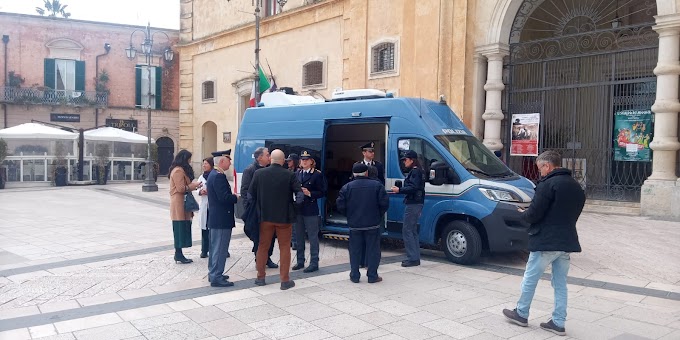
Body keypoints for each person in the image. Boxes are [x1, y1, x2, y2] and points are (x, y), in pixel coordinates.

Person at [502, 150, 585, 337]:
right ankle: (558, 322)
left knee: (530, 278)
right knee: (560, 284)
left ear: (547, 165)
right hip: (566, 241)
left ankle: (521, 313)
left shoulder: (547, 184)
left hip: (545, 241)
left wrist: (521, 213)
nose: (540, 172)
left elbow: (534, 214)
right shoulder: (576, 186)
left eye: (540, 168)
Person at [249, 149, 304, 290]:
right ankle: (285, 280)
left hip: (265, 217)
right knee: (284, 247)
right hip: (284, 218)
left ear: (271, 159)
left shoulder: (259, 174)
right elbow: (299, 193)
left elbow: (250, 195)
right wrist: (296, 205)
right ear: (283, 160)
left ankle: (260, 277)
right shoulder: (289, 175)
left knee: (262, 246)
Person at [336, 163, 389, 283]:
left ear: (354, 174)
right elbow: (384, 204)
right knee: (373, 250)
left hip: (355, 225)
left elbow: (340, 205)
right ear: (366, 173)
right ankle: (372, 275)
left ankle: (354, 275)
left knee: (355, 250)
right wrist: (377, 215)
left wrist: (350, 215)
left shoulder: (346, 187)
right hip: (373, 224)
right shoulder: (377, 185)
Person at [240, 147, 278, 269]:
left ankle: (267, 257)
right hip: (256, 209)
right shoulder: (250, 170)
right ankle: (260, 257)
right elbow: (245, 190)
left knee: (271, 234)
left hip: (270, 209)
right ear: (259, 157)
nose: (270, 157)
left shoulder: (270, 169)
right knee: (259, 235)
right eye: (267, 155)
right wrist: (249, 207)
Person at [206, 150, 238, 287]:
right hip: (221, 219)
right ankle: (216, 276)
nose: (230, 163)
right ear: (221, 161)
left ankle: (214, 272)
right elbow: (224, 198)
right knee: (220, 248)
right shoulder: (218, 176)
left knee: (215, 248)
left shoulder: (214, 174)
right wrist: (235, 197)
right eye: (228, 160)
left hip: (216, 218)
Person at [292, 150, 327, 273]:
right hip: (298, 209)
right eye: (302, 159)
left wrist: (310, 193)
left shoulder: (317, 175)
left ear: (312, 161)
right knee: (299, 236)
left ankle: (314, 262)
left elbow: (322, 192)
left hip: (310, 209)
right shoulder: (297, 173)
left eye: (307, 159)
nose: (304, 161)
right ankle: (300, 261)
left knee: (312, 237)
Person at [391, 150, 425, 267]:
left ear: (412, 160)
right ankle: (415, 257)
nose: (404, 162)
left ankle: (413, 258)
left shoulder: (415, 172)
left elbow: (413, 188)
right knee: (412, 230)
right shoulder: (417, 171)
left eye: (405, 160)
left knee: (407, 230)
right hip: (416, 203)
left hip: (413, 204)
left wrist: (399, 190)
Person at [168, 149, 202, 264]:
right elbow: (181, 188)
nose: (190, 161)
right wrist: (194, 185)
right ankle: (178, 254)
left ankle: (179, 253)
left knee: (182, 227)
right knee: (179, 227)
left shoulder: (180, 169)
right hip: (179, 204)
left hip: (182, 202)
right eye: (189, 159)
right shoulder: (178, 171)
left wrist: (194, 186)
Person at [196, 157, 214, 259]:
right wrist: (200, 192)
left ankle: (213, 249)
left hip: (213, 206)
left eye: (206, 164)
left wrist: (209, 192)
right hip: (204, 206)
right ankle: (204, 250)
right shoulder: (201, 177)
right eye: (203, 164)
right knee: (204, 229)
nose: (204, 165)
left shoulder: (215, 175)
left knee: (214, 229)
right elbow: (196, 188)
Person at [286, 153, 301, 250]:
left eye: (290, 161)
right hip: (288, 199)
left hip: (295, 200)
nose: (288, 162)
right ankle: (291, 240)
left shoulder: (299, 172)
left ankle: (295, 241)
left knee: (295, 223)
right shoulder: (287, 171)